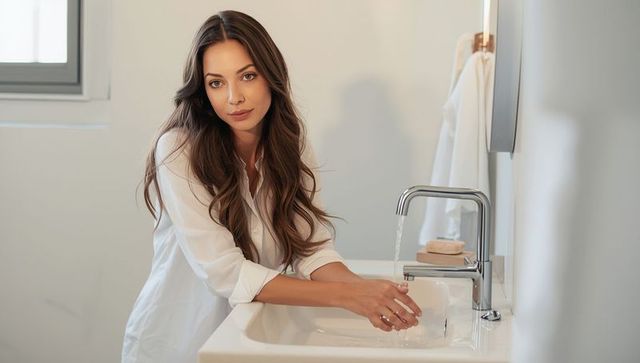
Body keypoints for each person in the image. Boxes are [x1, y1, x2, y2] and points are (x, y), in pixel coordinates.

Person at [122, 10, 421, 363]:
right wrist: (346, 296)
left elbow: (311, 248)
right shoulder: (178, 150)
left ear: (270, 75)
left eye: (247, 76)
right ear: (202, 90)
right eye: (216, 83)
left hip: (248, 335)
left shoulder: (289, 143)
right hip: (177, 342)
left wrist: (370, 292)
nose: (234, 97)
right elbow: (226, 274)